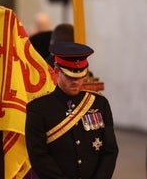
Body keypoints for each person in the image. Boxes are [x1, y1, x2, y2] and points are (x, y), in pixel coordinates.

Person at [25, 42, 119, 178]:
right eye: (70, 76)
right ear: (57, 71)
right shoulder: (38, 108)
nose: (76, 82)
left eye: (80, 77)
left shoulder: (99, 103)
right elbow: (38, 156)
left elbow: (110, 150)